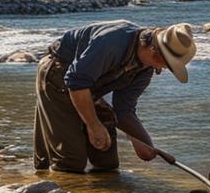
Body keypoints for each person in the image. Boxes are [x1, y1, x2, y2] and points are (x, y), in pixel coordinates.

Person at [33, 20, 196, 173]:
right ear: (153, 50)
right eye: (167, 63)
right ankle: (52, 188)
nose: (164, 69)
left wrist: (142, 142)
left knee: (107, 162)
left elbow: (124, 110)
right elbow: (76, 83)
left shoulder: (145, 69)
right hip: (58, 73)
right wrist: (93, 125)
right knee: (71, 161)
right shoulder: (111, 43)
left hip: (88, 85)